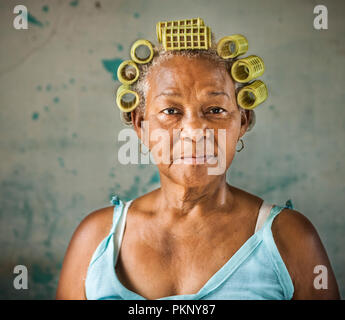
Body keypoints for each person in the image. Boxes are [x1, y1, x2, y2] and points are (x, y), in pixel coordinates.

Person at [56, 19, 340, 300]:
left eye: (215, 109)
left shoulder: (289, 238)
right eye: (171, 111)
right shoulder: (96, 239)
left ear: (242, 121)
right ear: (141, 124)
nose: (193, 131)